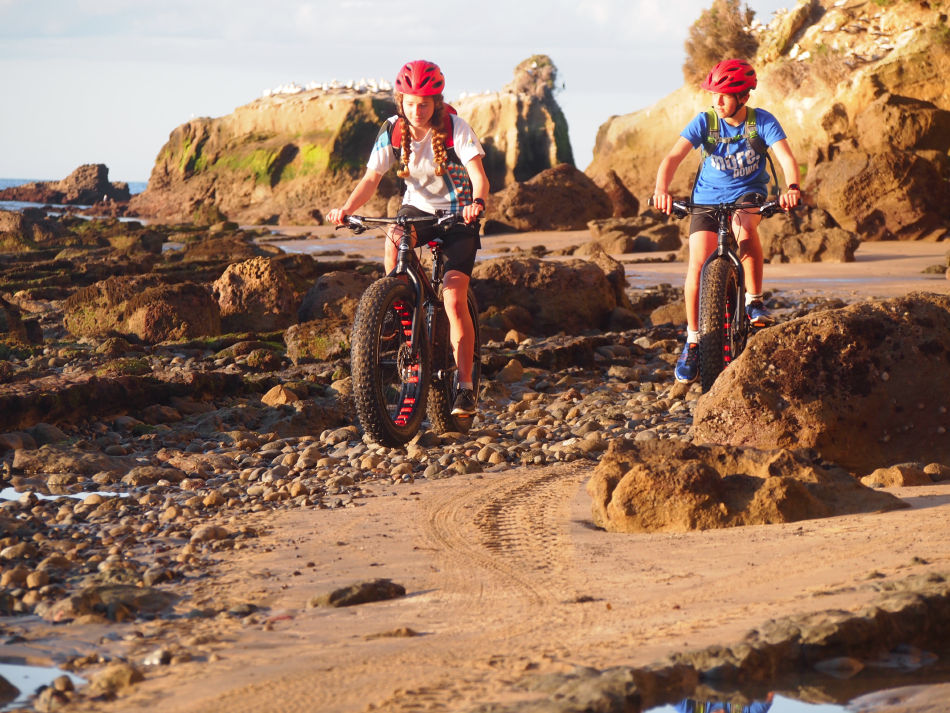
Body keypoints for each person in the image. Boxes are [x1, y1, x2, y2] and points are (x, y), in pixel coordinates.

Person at [327, 60, 489, 416]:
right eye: (412, 102)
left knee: (453, 297)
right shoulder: (392, 130)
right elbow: (371, 179)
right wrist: (346, 208)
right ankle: (397, 303)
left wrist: (476, 204)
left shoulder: (454, 128)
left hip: (458, 215)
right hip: (417, 210)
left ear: (437, 102)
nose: (418, 110)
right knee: (394, 238)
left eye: (425, 103)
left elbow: (479, 175)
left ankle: (464, 387)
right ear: (401, 101)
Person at [652, 58, 801, 384]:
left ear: (743, 97)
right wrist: (661, 190)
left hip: (748, 194)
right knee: (698, 264)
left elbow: (786, 157)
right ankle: (693, 341)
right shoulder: (705, 122)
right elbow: (672, 158)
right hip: (706, 199)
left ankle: (754, 303)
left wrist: (791, 188)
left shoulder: (761, 122)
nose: (717, 101)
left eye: (725, 95)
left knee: (744, 227)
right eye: (713, 94)